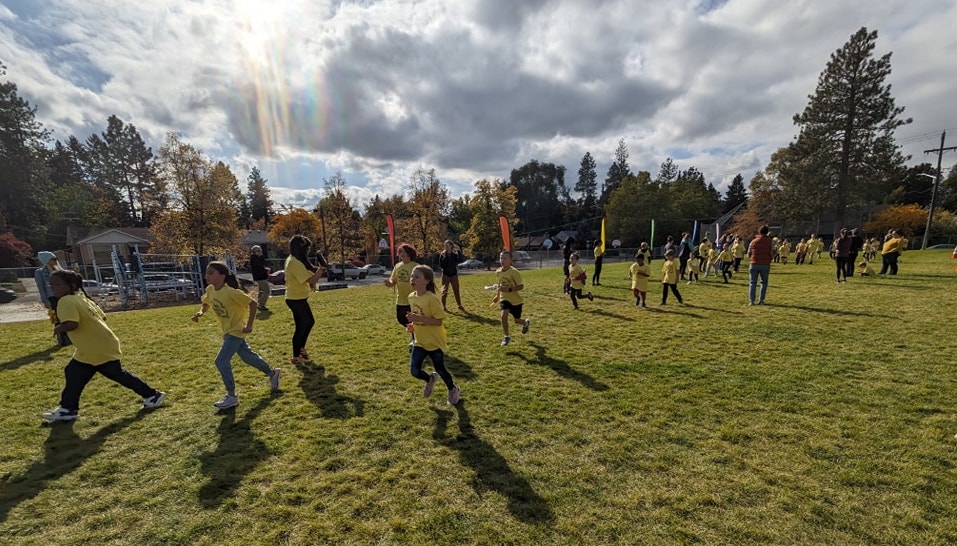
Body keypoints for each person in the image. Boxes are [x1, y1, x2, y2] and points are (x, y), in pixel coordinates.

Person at [41, 270, 165, 421]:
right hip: (95, 346)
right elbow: (102, 316)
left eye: (57, 284)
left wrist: (59, 327)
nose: (53, 288)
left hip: (96, 347)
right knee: (73, 373)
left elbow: (72, 324)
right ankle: (68, 409)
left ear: (71, 285)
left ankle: (152, 395)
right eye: (51, 285)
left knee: (116, 374)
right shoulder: (81, 297)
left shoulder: (66, 301)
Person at [192, 262, 281, 409]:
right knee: (248, 357)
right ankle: (273, 373)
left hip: (237, 331)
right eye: (206, 273)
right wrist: (200, 312)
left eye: (211, 273)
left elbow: (253, 304)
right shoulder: (210, 290)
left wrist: (250, 325)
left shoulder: (231, 292)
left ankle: (231, 396)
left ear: (222, 275)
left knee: (221, 361)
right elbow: (206, 302)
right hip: (227, 331)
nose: (207, 276)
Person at [406, 264, 460, 405]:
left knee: (440, 369)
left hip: (434, 342)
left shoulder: (431, 299)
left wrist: (418, 318)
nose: (412, 279)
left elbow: (438, 321)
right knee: (414, 371)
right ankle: (429, 379)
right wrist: (413, 325)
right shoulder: (411, 297)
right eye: (412, 276)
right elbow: (417, 316)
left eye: (416, 277)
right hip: (419, 341)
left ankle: (453, 389)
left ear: (427, 280)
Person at [284, 235, 326, 364]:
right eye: (306, 249)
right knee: (305, 324)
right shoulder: (294, 262)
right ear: (300, 248)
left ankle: (300, 350)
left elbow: (309, 276)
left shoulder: (295, 260)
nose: (308, 251)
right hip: (296, 299)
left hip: (297, 298)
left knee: (305, 324)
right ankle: (296, 355)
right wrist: (322, 268)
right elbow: (312, 279)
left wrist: (318, 269)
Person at [384, 243, 419, 348]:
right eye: (400, 252)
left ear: (409, 253)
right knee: (401, 319)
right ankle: (415, 334)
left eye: (404, 252)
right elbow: (393, 281)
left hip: (413, 298)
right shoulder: (397, 266)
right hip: (401, 299)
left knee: (412, 319)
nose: (401, 254)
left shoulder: (415, 266)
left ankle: (415, 338)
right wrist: (389, 283)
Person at [493, 251, 530, 346]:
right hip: (504, 298)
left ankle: (525, 323)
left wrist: (509, 289)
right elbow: (500, 285)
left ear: (510, 260)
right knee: (503, 315)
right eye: (501, 258)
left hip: (516, 301)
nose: (502, 260)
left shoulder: (514, 272)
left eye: (505, 258)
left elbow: (521, 286)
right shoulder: (498, 272)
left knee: (517, 320)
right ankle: (506, 336)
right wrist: (497, 296)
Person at [34, 251, 70, 346]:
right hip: (52, 298)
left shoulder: (60, 271)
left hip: (63, 296)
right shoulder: (40, 273)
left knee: (67, 316)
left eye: (56, 259)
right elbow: (41, 288)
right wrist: (45, 300)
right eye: (53, 259)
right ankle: (62, 338)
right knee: (57, 318)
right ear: (47, 261)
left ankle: (70, 337)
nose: (56, 261)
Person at [437, 240, 465, 312]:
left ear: (451, 246)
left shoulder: (454, 254)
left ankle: (459, 305)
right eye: (445, 245)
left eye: (447, 245)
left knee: (456, 290)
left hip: (454, 275)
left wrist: (458, 251)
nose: (446, 247)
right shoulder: (442, 255)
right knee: (444, 291)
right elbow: (442, 265)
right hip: (446, 275)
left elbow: (460, 260)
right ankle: (444, 306)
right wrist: (444, 258)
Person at [748, 225, 773, 305]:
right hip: (765, 264)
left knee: (752, 283)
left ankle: (752, 301)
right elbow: (773, 251)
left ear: (759, 232)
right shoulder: (770, 241)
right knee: (764, 283)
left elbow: (749, 252)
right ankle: (761, 300)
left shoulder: (753, 241)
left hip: (754, 263)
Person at [249, 245, 271, 312]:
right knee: (266, 290)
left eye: (260, 250)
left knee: (260, 292)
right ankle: (261, 305)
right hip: (259, 277)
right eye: (258, 250)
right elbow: (259, 266)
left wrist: (261, 256)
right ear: (254, 251)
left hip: (260, 277)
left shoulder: (257, 258)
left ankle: (257, 304)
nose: (260, 252)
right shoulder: (253, 258)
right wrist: (265, 270)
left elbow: (262, 263)